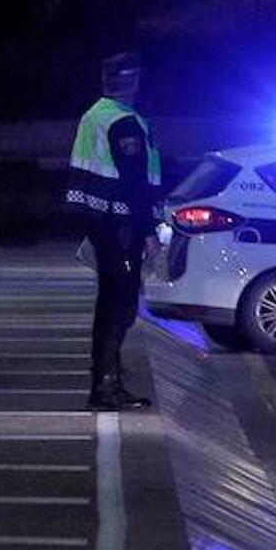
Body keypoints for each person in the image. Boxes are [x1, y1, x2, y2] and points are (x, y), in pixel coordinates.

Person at [65, 52, 163, 411]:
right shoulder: (125, 123)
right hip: (122, 226)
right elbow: (135, 184)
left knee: (109, 304)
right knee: (120, 309)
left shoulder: (95, 115)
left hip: (101, 223)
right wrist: (149, 231)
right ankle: (105, 387)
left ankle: (108, 381)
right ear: (134, 82)